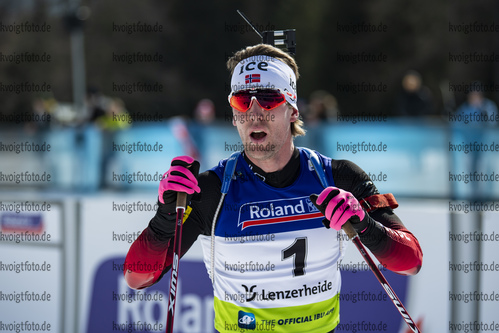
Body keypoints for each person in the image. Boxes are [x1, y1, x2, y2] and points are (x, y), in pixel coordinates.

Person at [124, 44, 423, 333]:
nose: (254, 113)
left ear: (293, 110)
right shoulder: (213, 191)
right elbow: (137, 277)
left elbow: (410, 262)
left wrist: (365, 224)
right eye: (242, 102)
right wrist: (164, 219)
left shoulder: (338, 177)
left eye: (268, 99)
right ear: (233, 115)